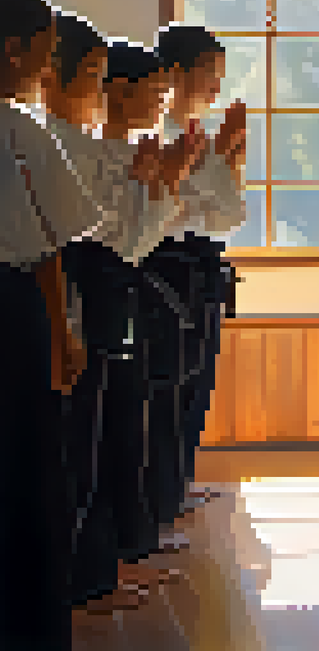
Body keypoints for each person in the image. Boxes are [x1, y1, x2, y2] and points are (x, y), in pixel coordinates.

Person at [62, 40, 201, 614]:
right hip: (87, 305)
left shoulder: (110, 153)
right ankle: (93, 571)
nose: (163, 100)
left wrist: (164, 181)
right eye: (156, 88)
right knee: (97, 438)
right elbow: (124, 247)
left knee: (122, 430)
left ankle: (113, 559)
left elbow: (137, 242)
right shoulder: (78, 152)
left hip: (113, 296)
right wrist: (157, 184)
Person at [0, 0, 100, 650]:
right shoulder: (22, 129)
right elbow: (50, 246)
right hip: (10, 313)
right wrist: (62, 328)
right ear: (13, 52)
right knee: (29, 470)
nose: (48, 64)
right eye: (46, 50)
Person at [149, 24, 245, 520]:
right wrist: (213, 176)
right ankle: (158, 503)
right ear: (177, 72)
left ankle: (177, 487)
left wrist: (229, 159)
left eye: (220, 76)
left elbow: (228, 214)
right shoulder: (153, 132)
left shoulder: (198, 138)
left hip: (201, 263)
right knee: (168, 386)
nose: (215, 87)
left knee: (197, 385)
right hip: (164, 266)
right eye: (210, 74)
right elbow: (177, 207)